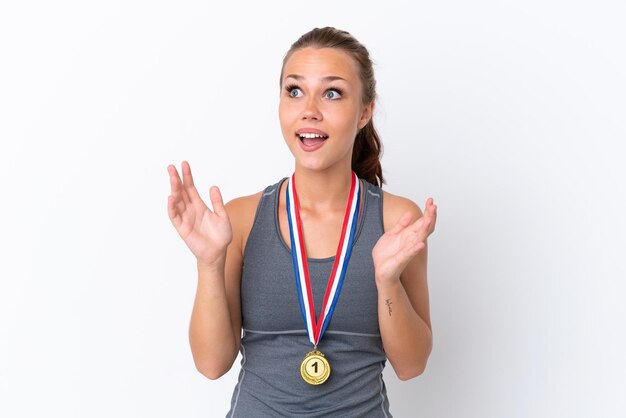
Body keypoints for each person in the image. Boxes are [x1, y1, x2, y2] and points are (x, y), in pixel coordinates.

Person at [166, 26, 437, 417]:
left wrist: (387, 281)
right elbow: (212, 365)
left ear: (364, 111)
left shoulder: (397, 221)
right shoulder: (241, 219)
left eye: (332, 92)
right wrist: (209, 263)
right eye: (294, 90)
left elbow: (412, 366)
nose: (309, 108)